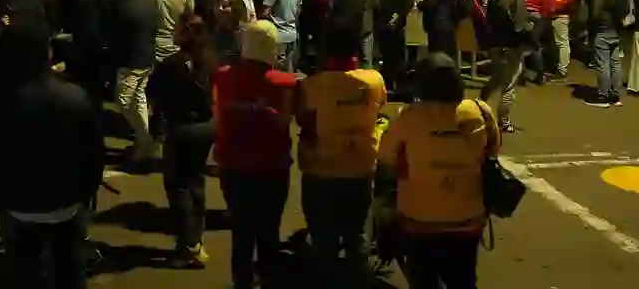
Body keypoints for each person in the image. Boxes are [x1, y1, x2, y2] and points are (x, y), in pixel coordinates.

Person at [0, 23, 105, 289]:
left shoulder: (0, 100)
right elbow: (94, 154)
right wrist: (85, 193)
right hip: (67, 202)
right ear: (48, 53)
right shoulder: (75, 96)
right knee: (69, 269)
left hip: (19, 203)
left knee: (23, 271)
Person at [377, 53, 498, 288]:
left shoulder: (409, 116)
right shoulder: (480, 111)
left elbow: (386, 157)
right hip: (467, 219)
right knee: (463, 279)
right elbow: (492, 151)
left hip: (419, 220)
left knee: (424, 280)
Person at [296, 24, 386, 285]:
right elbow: (379, 108)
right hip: (361, 167)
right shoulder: (374, 80)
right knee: (357, 236)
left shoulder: (312, 85)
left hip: (320, 169)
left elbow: (303, 119)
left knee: (324, 240)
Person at [212, 21, 297, 289]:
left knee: (241, 234)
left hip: (234, 166)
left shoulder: (223, 76)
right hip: (273, 166)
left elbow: (218, 113)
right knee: (269, 233)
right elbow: (285, 120)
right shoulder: (285, 83)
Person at [148, 17, 217, 268]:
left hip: (182, 130)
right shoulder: (209, 60)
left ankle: (189, 245)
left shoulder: (172, 65)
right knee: (195, 180)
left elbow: (152, 92)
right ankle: (196, 237)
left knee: (177, 186)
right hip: (206, 127)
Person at [114, 0, 160, 164]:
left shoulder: (127, 3)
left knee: (124, 100)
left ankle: (145, 139)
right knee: (139, 98)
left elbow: (117, 31)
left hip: (131, 59)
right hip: (147, 56)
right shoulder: (152, 0)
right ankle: (143, 141)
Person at [58, 0, 112, 113]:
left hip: (72, 40)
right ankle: (94, 109)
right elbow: (106, 14)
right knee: (93, 79)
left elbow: (59, 15)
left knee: (74, 78)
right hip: (94, 40)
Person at [482, 0, 532, 131]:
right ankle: (504, 121)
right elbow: (519, 26)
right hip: (511, 46)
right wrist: (533, 27)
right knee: (509, 84)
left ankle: (481, 104)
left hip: (494, 44)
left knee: (497, 78)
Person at [586, 0, 633, 108]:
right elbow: (626, 10)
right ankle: (615, 95)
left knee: (603, 64)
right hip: (618, 30)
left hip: (603, 29)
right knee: (615, 63)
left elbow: (595, 13)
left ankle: (603, 96)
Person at [378, 0, 413, 94]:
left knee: (397, 58)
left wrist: (396, 17)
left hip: (396, 27)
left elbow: (407, 3)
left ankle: (400, 88)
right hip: (384, 26)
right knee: (387, 58)